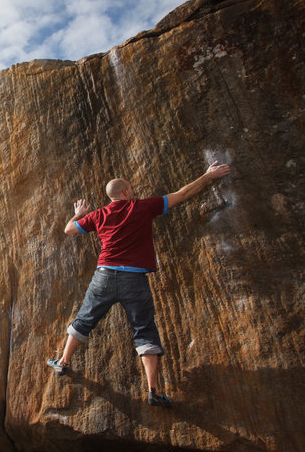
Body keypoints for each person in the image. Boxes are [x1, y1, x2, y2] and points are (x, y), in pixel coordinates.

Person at [47, 161, 231, 407]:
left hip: (104, 275)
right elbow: (183, 193)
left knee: (84, 320)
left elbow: (69, 229)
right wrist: (208, 176)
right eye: (131, 189)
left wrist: (79, 214)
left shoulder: (99, 215)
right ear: (125, 192)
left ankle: (63, 363)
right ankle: (153, 391)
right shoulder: (143, 207)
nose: (133, 192)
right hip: (134, 279)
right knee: (144, 330)